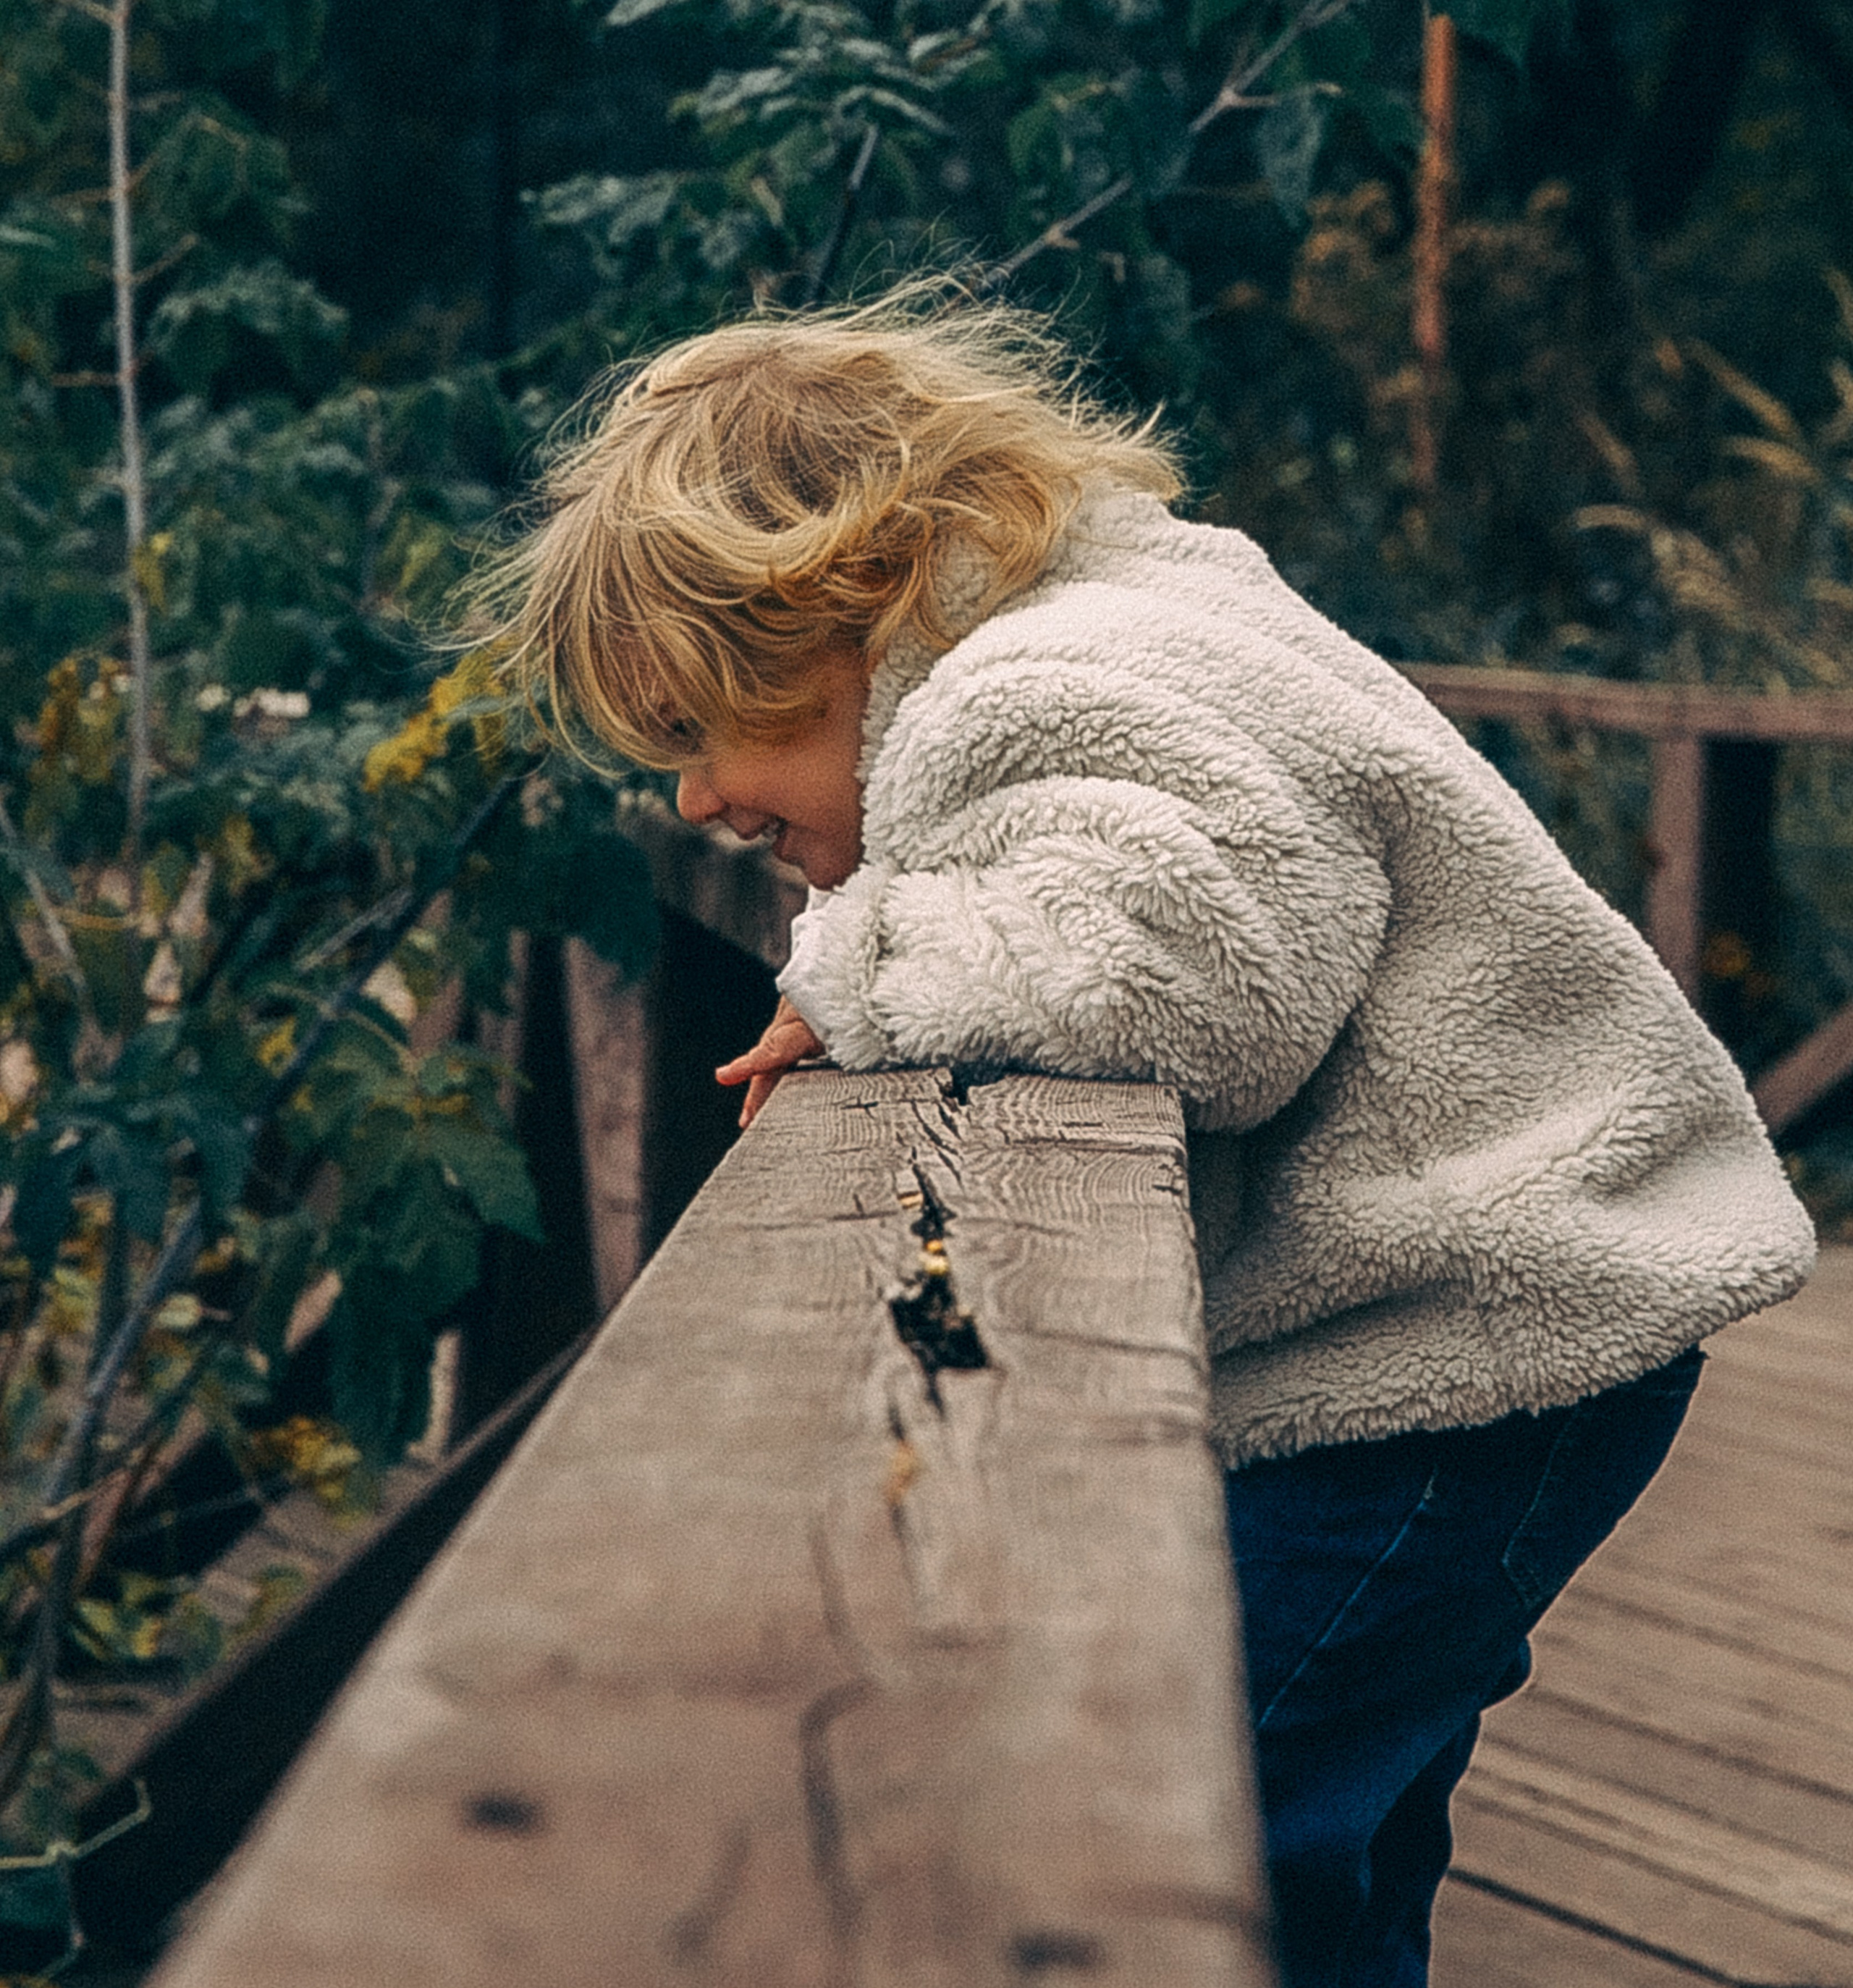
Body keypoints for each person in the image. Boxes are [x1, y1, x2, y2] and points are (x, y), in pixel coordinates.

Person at [484, 288, 1817, 1987]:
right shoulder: (1133, 610)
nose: (691, 801)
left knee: (1211, 1811)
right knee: (1341, 1806)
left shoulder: (1036, 682)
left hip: (1470, 1345)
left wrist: (856, 962)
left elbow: (1173, 976)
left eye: (699, 727)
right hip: (1513, 1316)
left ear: (838, 612)